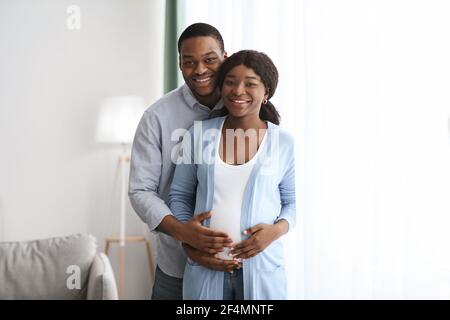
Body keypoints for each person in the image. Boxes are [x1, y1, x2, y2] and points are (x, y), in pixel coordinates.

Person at [169, 50, 296, 299]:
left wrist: (275, 231)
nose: (238, 90)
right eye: (230, 82)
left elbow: (292, 203)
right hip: (206, 269)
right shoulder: (197, 135)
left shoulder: (283, 142)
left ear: (266, 92)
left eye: (250, 84)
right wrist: (190, 240)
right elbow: (179, 195)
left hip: (263, 271)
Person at [128, 23, 241, 300]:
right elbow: (140, 190)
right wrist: (185, 234)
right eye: (189, 62)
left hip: (240, 267)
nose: (199, 70)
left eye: (209, 60)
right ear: (179, 64)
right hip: (176, 267)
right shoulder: (157, 117)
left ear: (225, 57)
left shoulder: (245, 108)